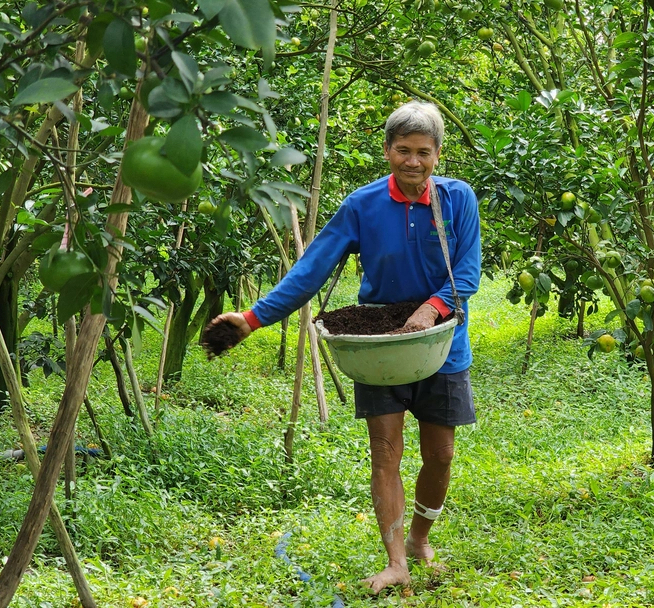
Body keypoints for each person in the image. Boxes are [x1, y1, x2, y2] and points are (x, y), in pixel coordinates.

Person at [206, 101, 481, 593]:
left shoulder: (459, 200)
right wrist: (252, 319)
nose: (412, 162)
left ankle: (420, 540)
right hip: (378, 346)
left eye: (423, 152)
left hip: (441, 343)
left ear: (438, 154)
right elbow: (312, 269)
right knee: (385, 453)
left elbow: (466, 274)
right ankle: (396, 560)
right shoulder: (363, 204)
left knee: (440, 454)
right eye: (402, 150)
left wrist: (426, 312)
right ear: (387, 151)